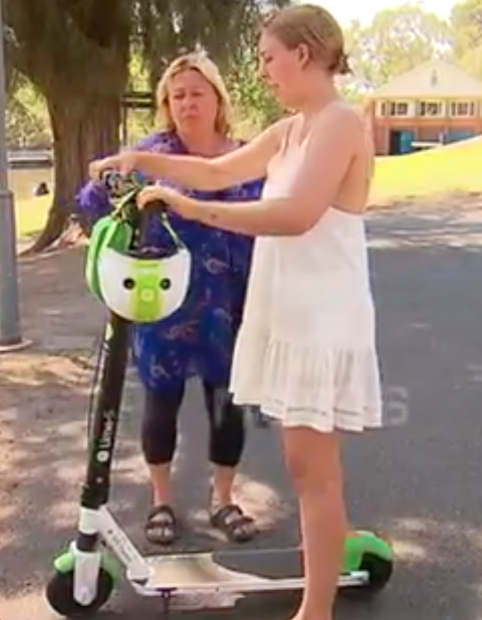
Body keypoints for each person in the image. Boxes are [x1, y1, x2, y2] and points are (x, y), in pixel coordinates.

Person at [88, 5, 382, 620]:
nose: (264, 70)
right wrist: (141, 162)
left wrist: (187, 208)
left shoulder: (340, 123)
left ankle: (316, 611)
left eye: (269, 57)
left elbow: (295, 214)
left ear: (303, 54)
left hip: (320, 320)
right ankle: (321, 590)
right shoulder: (292, 129)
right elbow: (218, 170)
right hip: (289, 315)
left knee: (314, 473)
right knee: (307, 470)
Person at [75, 51, 264, 546]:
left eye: (196, 92)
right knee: (161, 406)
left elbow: (279, 215)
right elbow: (91, 205)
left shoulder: (246, 157)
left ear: (218, 99)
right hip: (162, 307)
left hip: (232, 305)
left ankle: (223, 498)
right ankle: (161, 500)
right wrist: (106, 190)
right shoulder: (148, 156)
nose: (186, 103)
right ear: (165, 104)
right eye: (176, 95)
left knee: (227, 407)